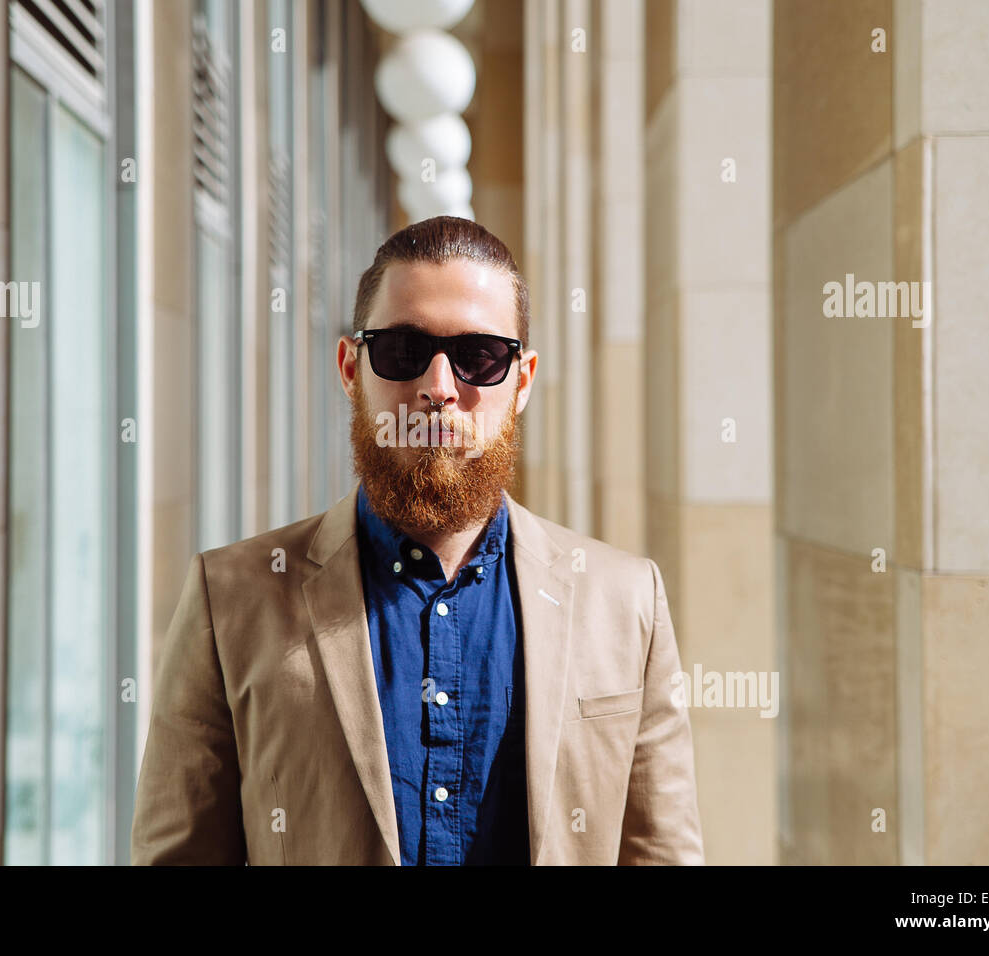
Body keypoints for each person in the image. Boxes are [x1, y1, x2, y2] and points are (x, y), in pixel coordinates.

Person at [131, 215, 704, 865]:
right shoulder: (230, 598)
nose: (437, 388)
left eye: (479, 357)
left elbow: (661, 852)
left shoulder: (627, 601)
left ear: (522, 382)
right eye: (403, 351)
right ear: (351, 368)